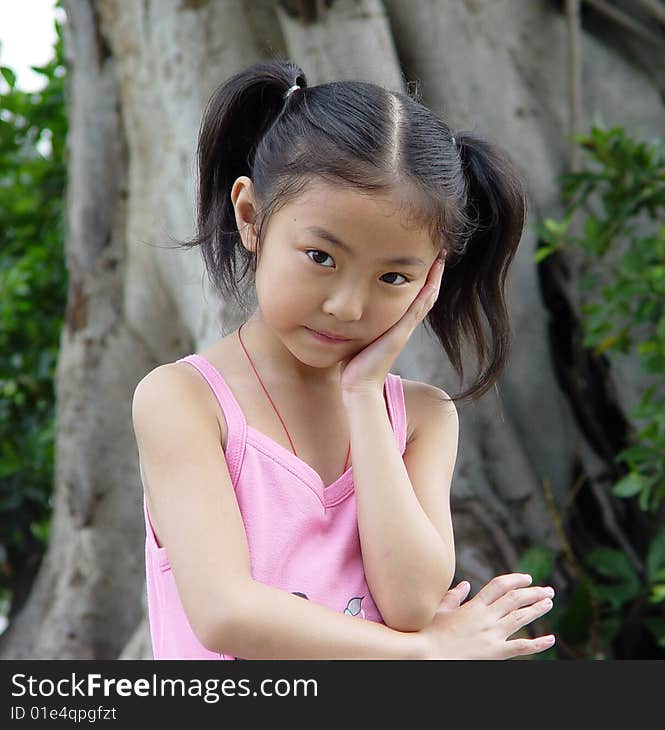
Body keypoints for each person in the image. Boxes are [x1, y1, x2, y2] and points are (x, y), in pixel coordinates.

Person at [131, 59, 555, 660]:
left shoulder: (424, 418)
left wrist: (363, 395)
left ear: (431, 277)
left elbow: (409, 600)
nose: (348, 306)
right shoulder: (185, 401)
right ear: (251, 216)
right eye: (320, 257)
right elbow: (226, 612)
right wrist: (425, 654)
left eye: (392, 275)